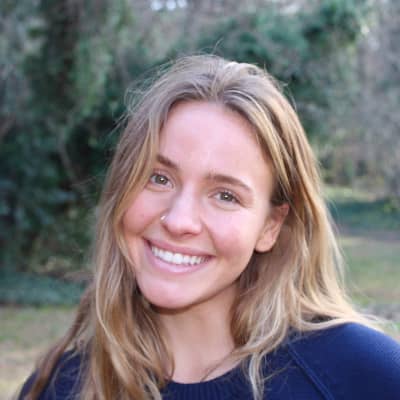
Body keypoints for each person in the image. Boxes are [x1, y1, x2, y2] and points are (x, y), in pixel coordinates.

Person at [18, 55, 400, 400]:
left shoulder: (365, 376)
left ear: (270, 226)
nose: (179, 221)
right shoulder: (62, 386)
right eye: (159, 178)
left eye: (225, 196)